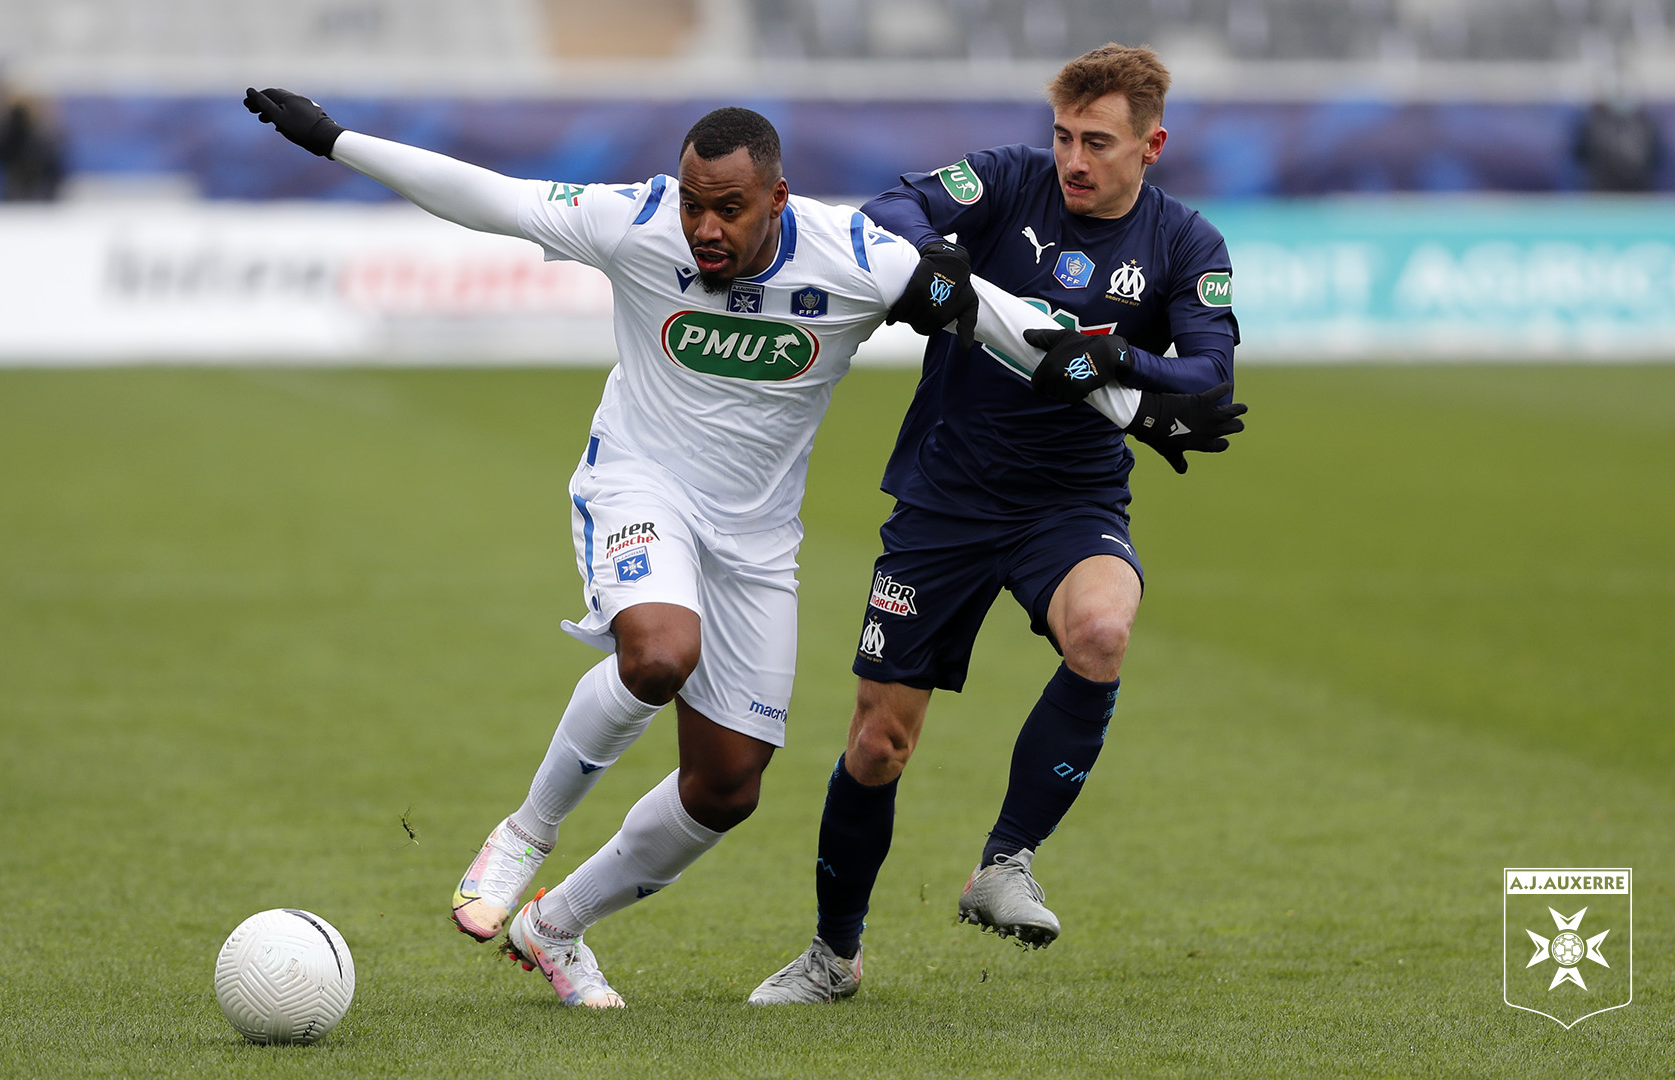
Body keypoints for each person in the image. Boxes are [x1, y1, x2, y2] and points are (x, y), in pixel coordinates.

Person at [244, 88, 1241, 1008]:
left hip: (758, 542)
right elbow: (487, 197)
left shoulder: (854, 258)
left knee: (728, 787)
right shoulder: (634, 223)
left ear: (778, 198)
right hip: (640, 486)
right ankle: (524, 835)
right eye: (694, 205)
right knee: (658, 653)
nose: (706, 228)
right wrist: (335, 139)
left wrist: (1143, 408)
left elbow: (1013, 329)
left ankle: (558, 925)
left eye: (729, 209)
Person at [750, 44, 1243, 1004]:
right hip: (946, 500)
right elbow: (888, 212)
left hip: (1073, 503)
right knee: (877, 742)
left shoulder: (1186, 244)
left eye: (1097, 142)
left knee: (1102, 630)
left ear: (1152, 145)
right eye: (1063, 135)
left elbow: (1209, 374)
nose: (1073, 158)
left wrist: (1103, 362)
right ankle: (833, 954)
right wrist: (931, 253)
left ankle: (1004, 863)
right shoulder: (1010, 182)